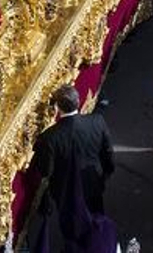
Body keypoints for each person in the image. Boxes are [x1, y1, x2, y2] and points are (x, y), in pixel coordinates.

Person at [30, 85, 115, 247]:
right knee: (97, 219)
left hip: (66, 193)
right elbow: (108, 152)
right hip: (94, 182)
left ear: (57, 108)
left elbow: (46, 170)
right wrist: (104, 175)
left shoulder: (49, 138)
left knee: (72, 232)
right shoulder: (97, 121)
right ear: (78, 101)